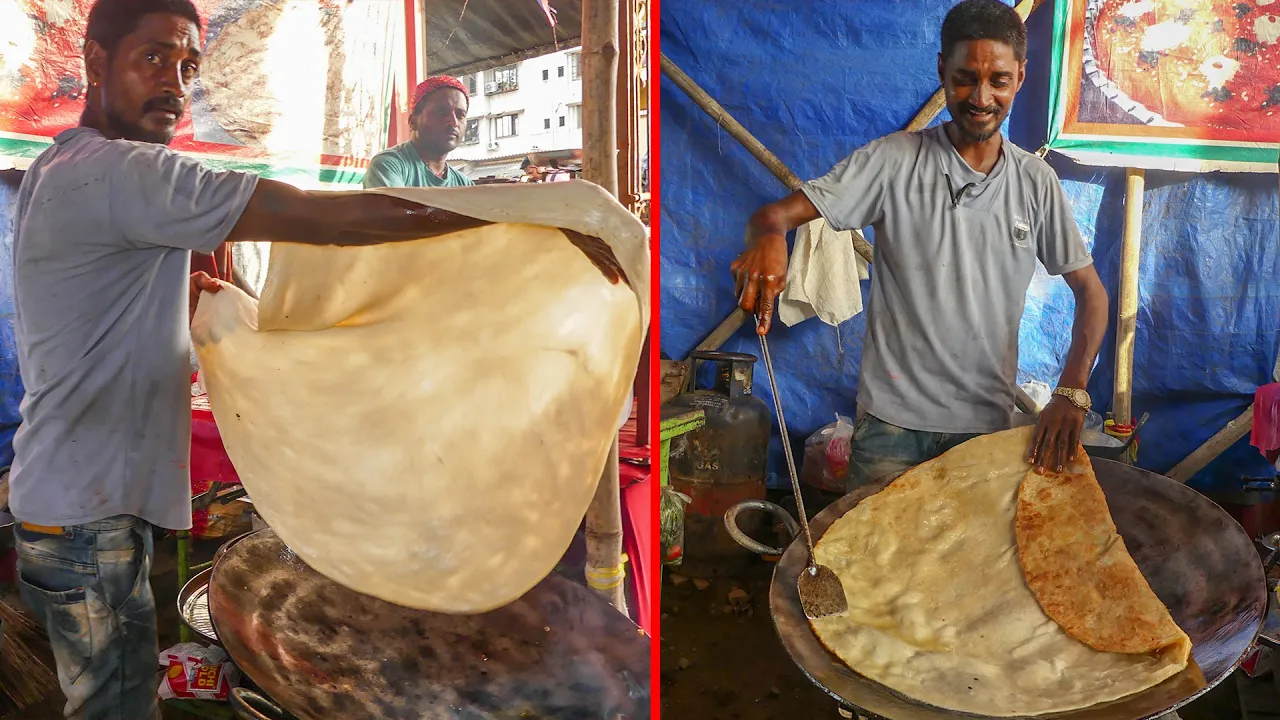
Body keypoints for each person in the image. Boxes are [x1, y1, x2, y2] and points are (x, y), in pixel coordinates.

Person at [7, 1, 616, 718]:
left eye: (189, 65)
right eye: (154, 58)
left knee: (125, 691)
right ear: (95, 62)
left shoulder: (61, 165)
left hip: (72, 496)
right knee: (113, 706)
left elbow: (94, 297)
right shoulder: (127, 173)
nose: (175, 81)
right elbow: (322, 217)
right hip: (88, 510)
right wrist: (529, 219)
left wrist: (188, 298)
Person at [732, 0, 1110, 489]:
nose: (980, 97)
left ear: (1020, 75)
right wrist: (769, 238)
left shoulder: (1035, 181)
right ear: (941, 70)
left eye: (998, 80)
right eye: (964, 78)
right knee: (873, 566)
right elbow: (773, 215)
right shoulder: (893, 162)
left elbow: (1093, 293)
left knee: (968, 567)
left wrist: (1072, 390)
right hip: (890, 431)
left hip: (983, 431)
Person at [363, 75, 474, 189]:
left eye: (460, 115)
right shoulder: (389, 165)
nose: (453, 123)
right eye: (441, 112)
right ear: (413, 122)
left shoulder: (464, 184)